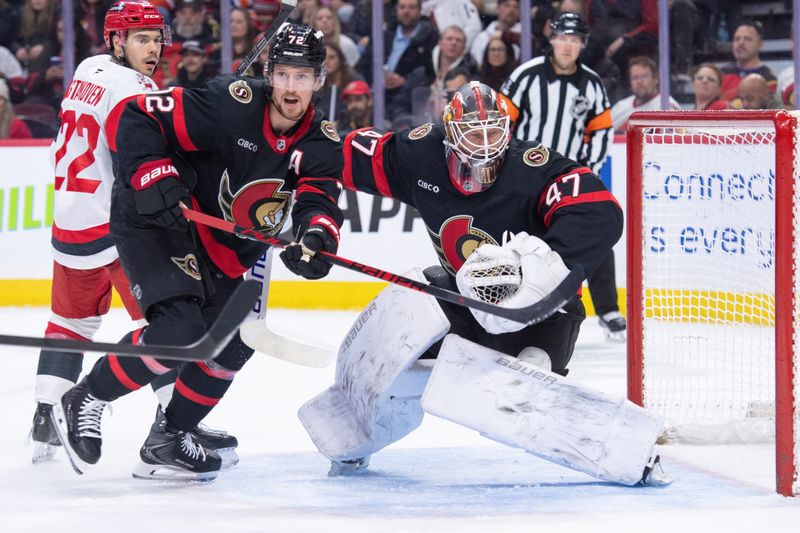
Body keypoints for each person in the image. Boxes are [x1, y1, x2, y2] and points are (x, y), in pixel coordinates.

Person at [300, 82, 665, 486]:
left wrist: (538, 267)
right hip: (462, 302)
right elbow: (334, 156)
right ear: (450, 133)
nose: (485, 144)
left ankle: (629, 455)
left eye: (494, 132)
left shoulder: (534, 167)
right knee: (404, 315)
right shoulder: (419, 154)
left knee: (521, 392)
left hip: (542, 314)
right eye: (474, 133)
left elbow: (602, 213)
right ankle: (354, 428)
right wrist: (303, 210)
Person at [50, 22, 344, 482]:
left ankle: (168, 437)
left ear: (319, 80)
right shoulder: (232, 103)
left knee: (235, 342)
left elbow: (319, 199)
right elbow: (138, 114)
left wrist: (316, 238)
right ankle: (87, 397)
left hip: (221, 249)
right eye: (284, 74)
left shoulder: (320, 140)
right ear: (269, 74)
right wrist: (152, 172)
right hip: (160, 216)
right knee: (181, 331)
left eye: (302, 76)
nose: (291, 86)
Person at [28, 1, 167, 464]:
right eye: (141, 39)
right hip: (115, 227)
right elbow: (140, 160)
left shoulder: (89, 68)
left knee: (70, 321)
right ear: (116, 41)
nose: (153, 47)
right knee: (165, 323)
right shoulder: (135, 87)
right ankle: (175, 425)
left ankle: (45, 421)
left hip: (70, 217)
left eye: (155, 38)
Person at [501, 12, 625, 341]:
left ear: (582, 44)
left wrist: (587, 171)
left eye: (575, 39)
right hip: (524, 175)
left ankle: (608, 309)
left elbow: (600, 131)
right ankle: (518, 302)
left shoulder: (592, 84)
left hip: (569, 177)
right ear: (552, 39)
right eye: (563, 38)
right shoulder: (526, 76)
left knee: (593, 232)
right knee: (521, 239)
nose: (568, 45)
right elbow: (502, 122)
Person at [611, 56, 679, 134]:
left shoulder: (666, 105)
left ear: (656, 79)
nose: (639, 81)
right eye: (635, 77)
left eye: (644, 76)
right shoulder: (620, 106)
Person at [720, 21, 777, 103]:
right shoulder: (721, 74)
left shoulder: (769, 78)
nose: (740, 43)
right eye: (737, 39)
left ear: (760, 44)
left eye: (747, 39)